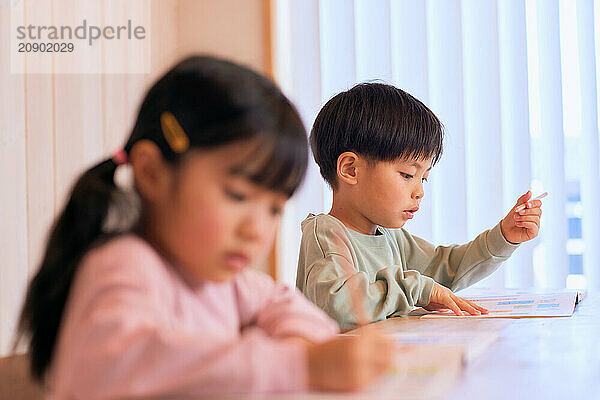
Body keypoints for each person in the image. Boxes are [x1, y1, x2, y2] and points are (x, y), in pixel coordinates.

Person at [16, 57, 395, 399]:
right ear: (152, 173)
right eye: (237, 195)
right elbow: (125, 365)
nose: (256, 229)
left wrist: (303, 345)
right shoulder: (123, 265)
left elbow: (282, 302)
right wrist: (298, 364)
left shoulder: (221, 280)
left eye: (274, 209)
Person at [297, 83, 543, 330]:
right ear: (351, 169)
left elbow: (446, 270)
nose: (419, 191)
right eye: (407, 174)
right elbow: (340, 307)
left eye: (423, 178)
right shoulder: (326, 233)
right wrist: (418, 288)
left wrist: (504, 236)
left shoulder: (391, 236)